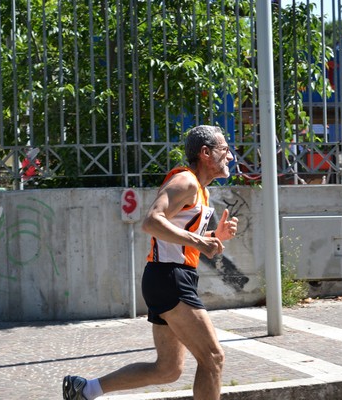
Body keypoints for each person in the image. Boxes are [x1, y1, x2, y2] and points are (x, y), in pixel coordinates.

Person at [62, 125, 238, 400]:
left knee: (167, 369)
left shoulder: (200, 190)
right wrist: (199, 242)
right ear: (205, 153)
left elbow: (177, 235)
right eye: (225, 150)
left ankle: (85, 389)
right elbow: (151, 221)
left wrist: (214, 236)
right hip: (171, 279)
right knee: (213, 357)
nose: (230, 156)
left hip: (168, 277)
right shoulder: (186, 181)